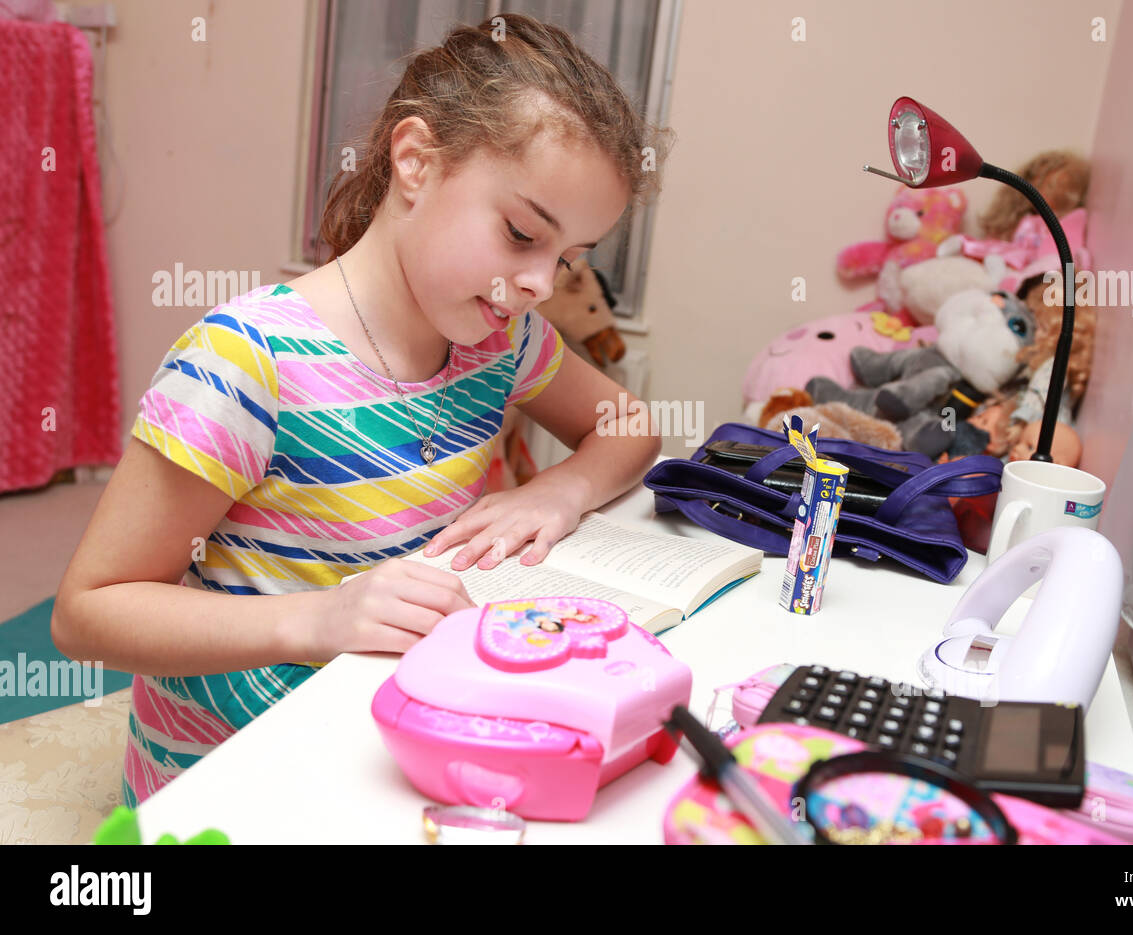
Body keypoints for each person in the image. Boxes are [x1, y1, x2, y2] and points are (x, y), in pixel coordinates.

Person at [51, 13, 672, 808]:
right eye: (521, 233)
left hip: (387, 747)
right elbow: (87, 612)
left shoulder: (500, 344)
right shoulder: (248, 362)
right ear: (414, 160)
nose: (542, 284)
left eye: (568, 260)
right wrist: (316, 622)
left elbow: (628, 424)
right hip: (236, 784)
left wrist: (561, 489)